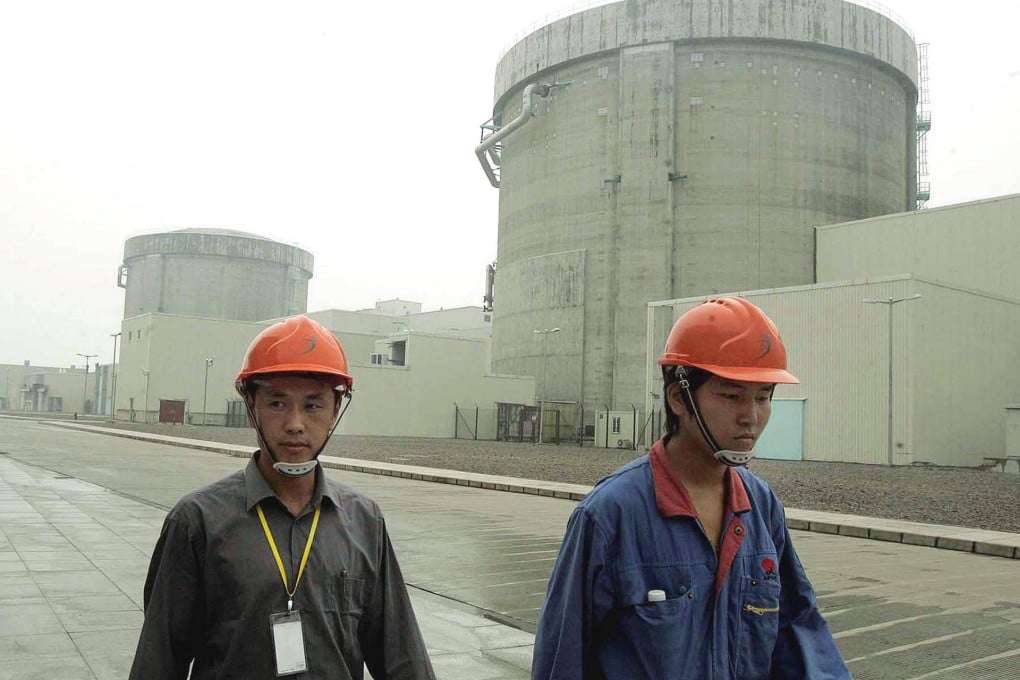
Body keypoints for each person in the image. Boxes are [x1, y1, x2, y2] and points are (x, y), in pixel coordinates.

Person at [532, 296, 851, 679]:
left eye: (763, 398)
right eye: (732, 396)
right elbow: (564, 658)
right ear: (679, 398)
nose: (751, 416)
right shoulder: (610, 515)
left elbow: (798, 635)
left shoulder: (761, 506)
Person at [129, 316, 435, 680]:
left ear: (336, 410)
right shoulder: (196, 523)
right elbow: (159, 661)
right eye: (277, 404)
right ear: (250, 407)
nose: (295, 424)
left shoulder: (364, 522)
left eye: (313, 405)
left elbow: (402, 658)